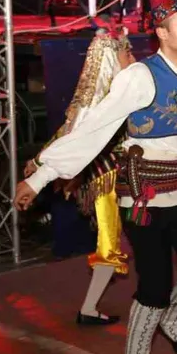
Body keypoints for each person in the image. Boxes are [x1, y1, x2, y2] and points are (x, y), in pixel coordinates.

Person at [14, 0, 177, 354]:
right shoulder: (139, 76)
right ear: (162, 33)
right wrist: (42, 176)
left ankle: (172, 321)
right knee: (154, 286)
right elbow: (96, 128)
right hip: (143, 196)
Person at [24, 29, 134, 325]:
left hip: (123, 180)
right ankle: (89, 309)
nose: (132, 57)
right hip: (108, 181)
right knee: (109, 243)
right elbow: (74, 134)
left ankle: (100, 305)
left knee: (123, 239)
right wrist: (42, 163)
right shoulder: (105, 104)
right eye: (126, 52)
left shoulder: (124, 93)